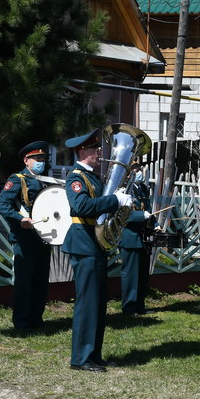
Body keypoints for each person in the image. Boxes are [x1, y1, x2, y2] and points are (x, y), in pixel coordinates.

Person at [62, 128, 132, 372]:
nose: (100, 152)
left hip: (95, 244)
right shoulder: (76, 177)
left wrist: (120, 200)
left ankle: (93, 354)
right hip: (84, 243)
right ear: (83, 151)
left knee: (98, 303)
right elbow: (81, 205)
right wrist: (114, 200)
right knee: (87, 302)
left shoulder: (93, 178)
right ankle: (81, 358)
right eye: (95, 149)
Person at [0, 141, 52, 331]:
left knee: (41, 281)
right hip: (25, 236)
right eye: (37, 158)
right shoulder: (18, 179)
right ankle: (21, 321)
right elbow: (2, 204)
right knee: (25, 281)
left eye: (43, 158)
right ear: (26, 160)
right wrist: (19, 219)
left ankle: (36, 318)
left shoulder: (46, 179)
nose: (41, 161)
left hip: (44, 237)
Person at [118, 162, 154, 316]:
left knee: (142, 274)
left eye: (139, 169)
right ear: (127, 174)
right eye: (134, 170)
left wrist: (155, 223)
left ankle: (140, 305)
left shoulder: (142, 188)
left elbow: (149, 209)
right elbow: (121, 214)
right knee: (131, 275)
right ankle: (129, 308)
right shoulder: (122, 190)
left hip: (143, 235)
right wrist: (141, 216)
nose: (138, 172)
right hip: (129, 235)